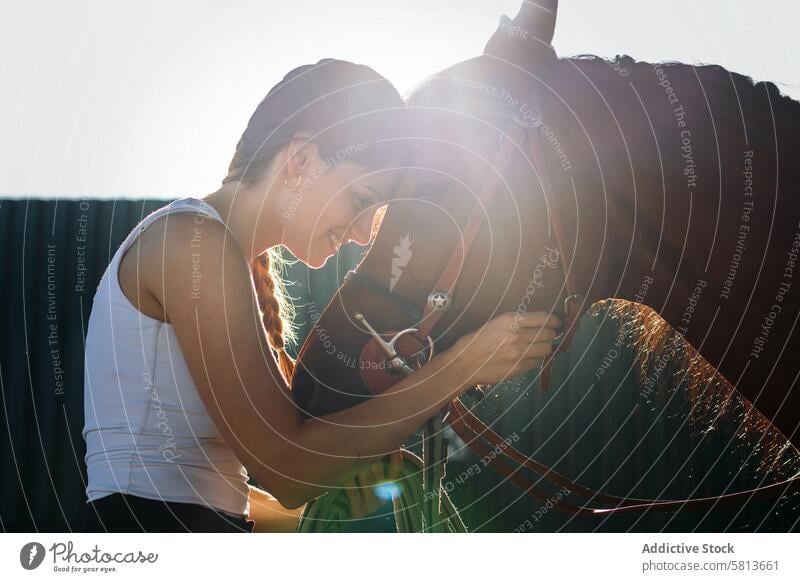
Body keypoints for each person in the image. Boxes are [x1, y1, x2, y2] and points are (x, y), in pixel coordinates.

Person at [82, 59, 561, 532]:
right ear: (301, 160)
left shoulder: (216, 254)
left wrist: (348, 484)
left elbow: (239, 492)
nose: (361, 235)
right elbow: (287, 468)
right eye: (361, 200)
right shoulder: (192, 244)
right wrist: (461, 367)